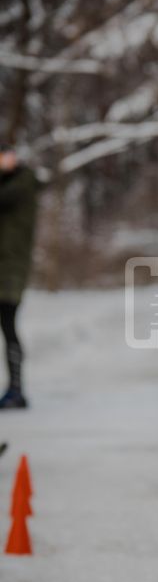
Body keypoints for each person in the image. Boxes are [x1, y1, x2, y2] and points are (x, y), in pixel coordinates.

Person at [0, 143, 39, 409]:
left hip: (11, 268)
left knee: (8, 324)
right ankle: (15, 389)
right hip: (5, 265)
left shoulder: (22, 183)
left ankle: (16, 389)